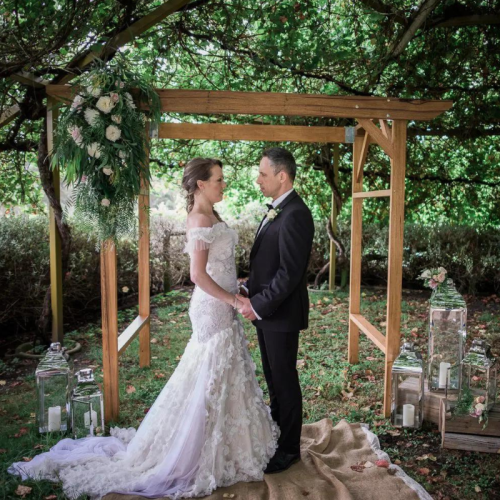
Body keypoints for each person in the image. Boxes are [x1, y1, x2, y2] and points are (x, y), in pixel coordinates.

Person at [9, 157, 278, 500]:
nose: (223, 185)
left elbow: (218, 265)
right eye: (219, 180)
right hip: (213, 308)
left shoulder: (212, 215)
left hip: (224, 302)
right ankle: (194, 449)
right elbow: (197, 275)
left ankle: (229, 440)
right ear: (200, 184)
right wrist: (232, 300)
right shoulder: (198, 218)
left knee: (220, 374)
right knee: (209, 373)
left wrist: (237, 289)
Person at [237, 147, 314, 474]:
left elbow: (290, 273)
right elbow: (269, 264)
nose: (258, 180)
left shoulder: (296, 213)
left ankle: (289, 450)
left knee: (284, 380)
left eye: (263, 174)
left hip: (280, 315)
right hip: (269, 313)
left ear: (282, 176)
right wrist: (248, 286)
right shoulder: (278, 210)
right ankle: (277, 434)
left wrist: (258, 304)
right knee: (273, 378)